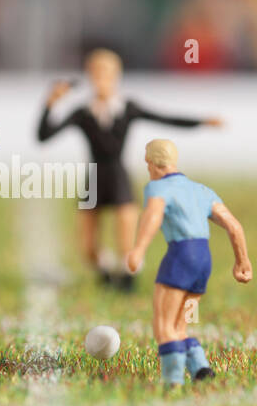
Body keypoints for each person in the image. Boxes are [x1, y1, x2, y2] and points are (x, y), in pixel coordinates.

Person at [38, 48, 222, 290]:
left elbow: (165, 118)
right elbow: (44, 135)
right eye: (96, 73)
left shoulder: (127, 108)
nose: (101, 79)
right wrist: (50, 104)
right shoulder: (82, 113)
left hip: (117, 176)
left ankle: (128, 277)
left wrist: (200, 121)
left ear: (116, 76)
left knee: (127, 239)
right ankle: (104, 270)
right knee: (88, 247)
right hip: (93, 180)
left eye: (106, 73)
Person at [125, 139, 252, 385]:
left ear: (153, 164)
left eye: (148, 164)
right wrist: (242, 261)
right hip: (204, 260)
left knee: (163, 325)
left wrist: (138, 249)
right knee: (179, 325)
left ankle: (172, 380)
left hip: (181, 255)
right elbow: (234, 227)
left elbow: (152, 216)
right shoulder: (201, 190)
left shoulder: (158, 188)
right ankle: (200, 368)